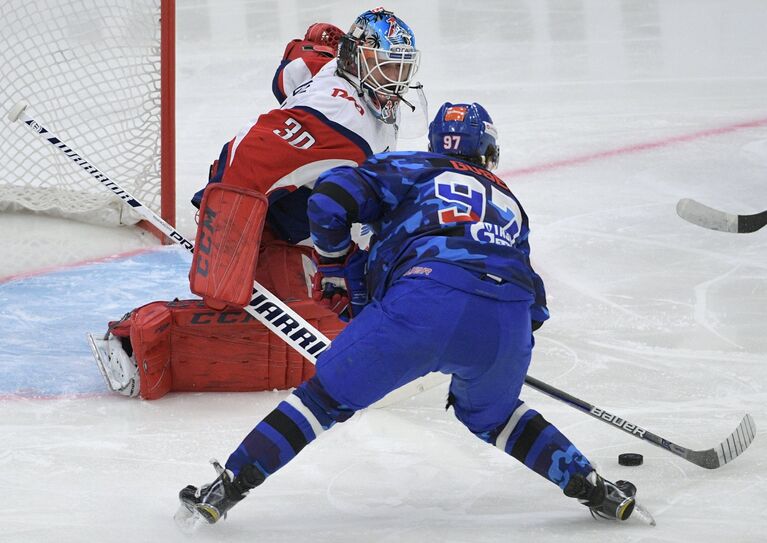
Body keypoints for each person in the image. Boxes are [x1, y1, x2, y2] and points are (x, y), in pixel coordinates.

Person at [176, 102, 640, 526]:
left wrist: (338, 269)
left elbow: (328, 201)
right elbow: (534, 305)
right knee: (495, 415)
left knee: (322, 401)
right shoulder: (509, 202)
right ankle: (594, 489)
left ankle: (228, 486)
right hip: (506, 321)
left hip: (421, 301)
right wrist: (484, 352)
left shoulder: (412, 167)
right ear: (488, 151)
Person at [90, 8, 424, 400]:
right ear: (356, 58)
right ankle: (138, 339)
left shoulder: (339, 72)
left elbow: (289, 75)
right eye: (385, 68)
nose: (395, 82)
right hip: (262, 230)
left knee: (351, 310)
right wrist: (226, 235)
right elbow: (246, 150)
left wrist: (312, 42)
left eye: (401, 70)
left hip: (306, 229)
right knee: (317, 333)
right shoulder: (340, 116)